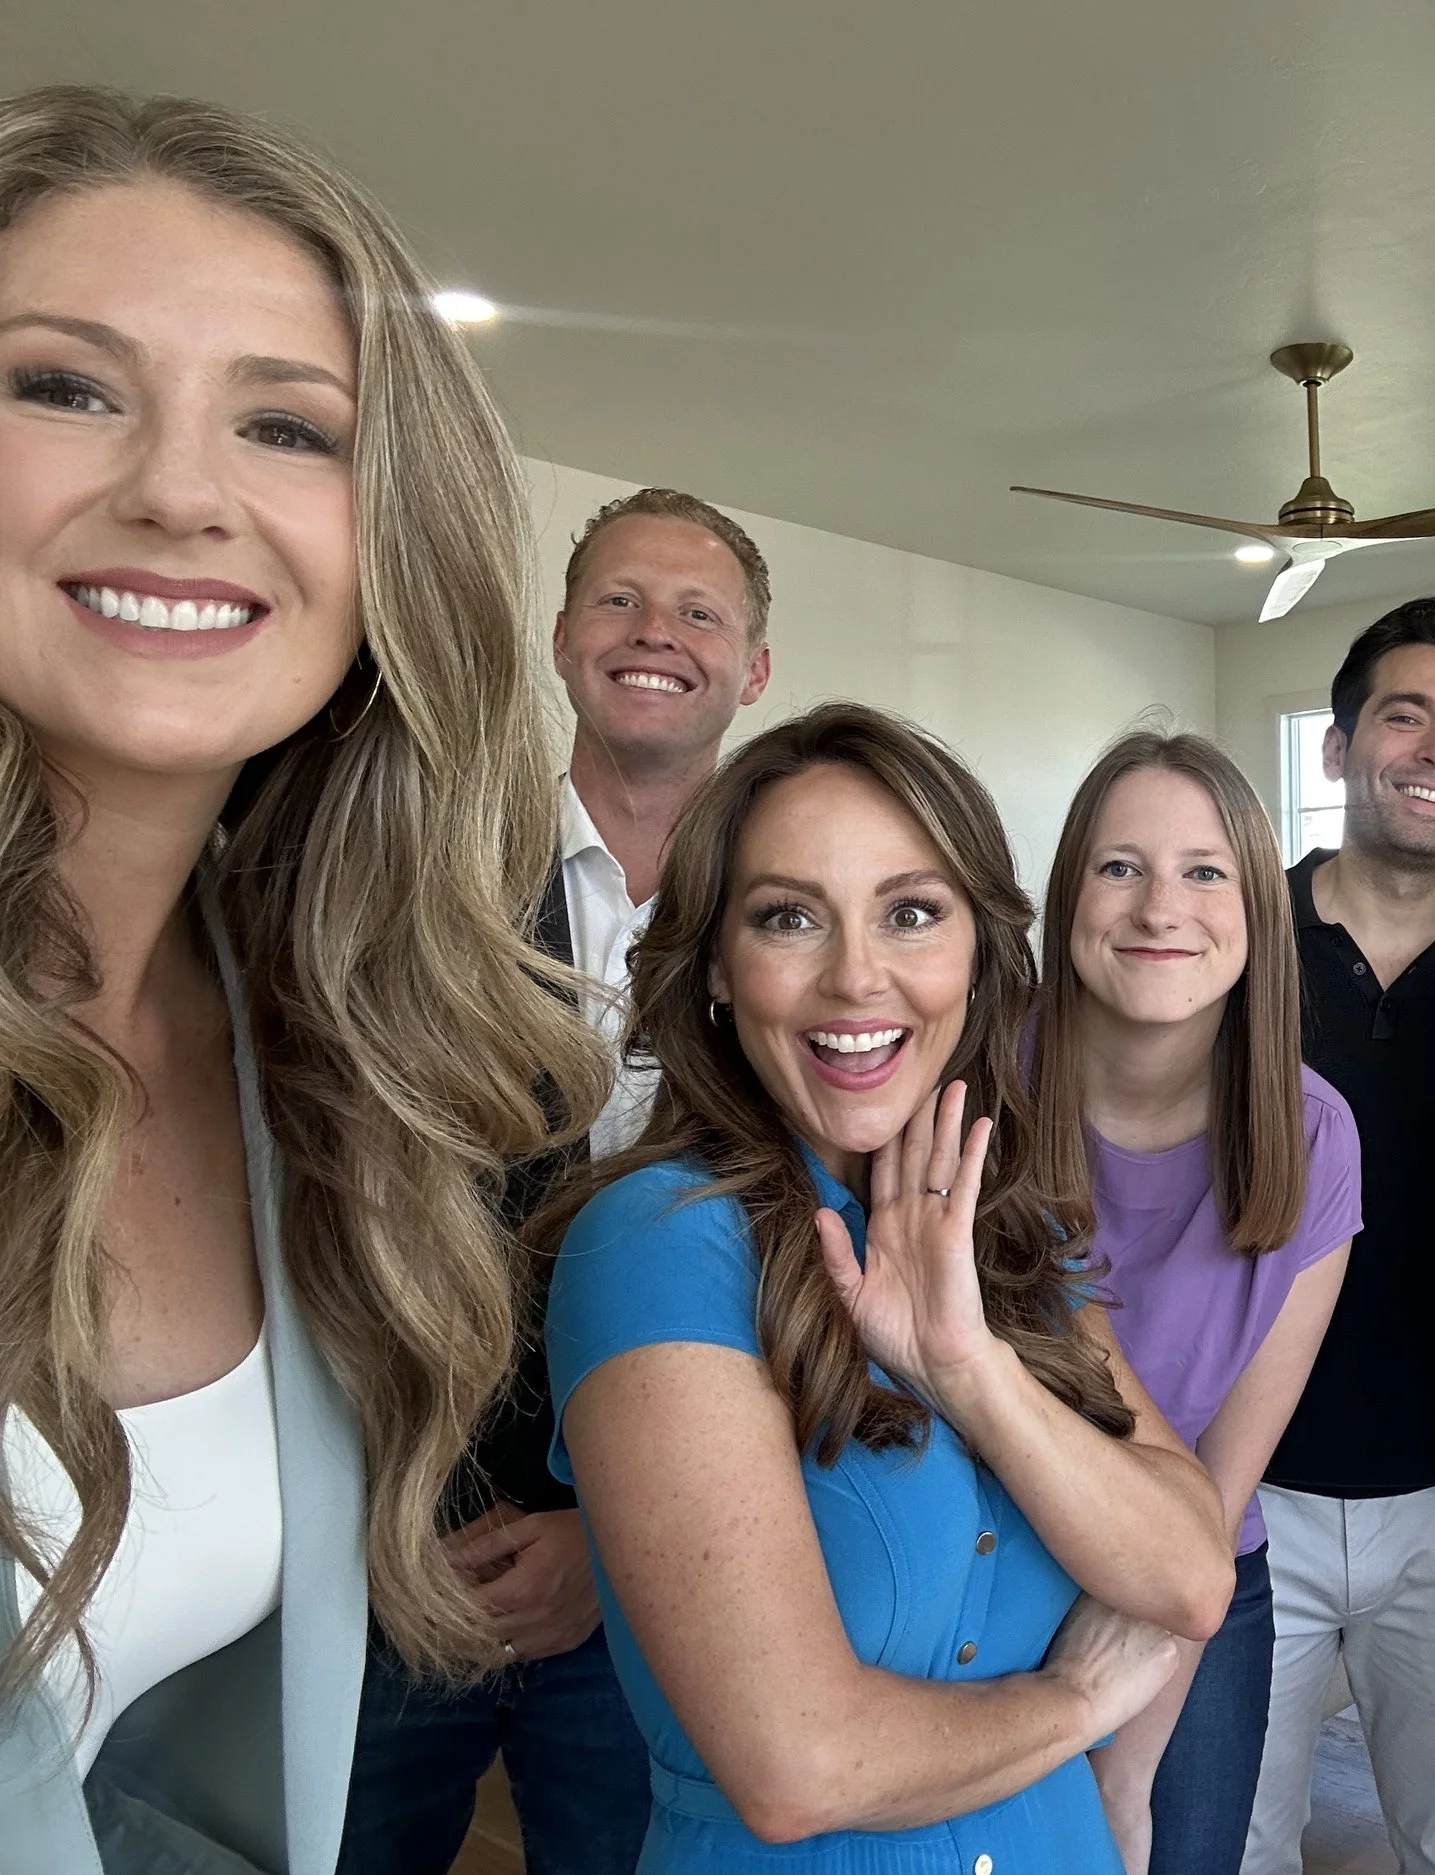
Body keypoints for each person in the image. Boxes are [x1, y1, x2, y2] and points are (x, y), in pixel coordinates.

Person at [0, 85, 608, 1875]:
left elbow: (126, 1770)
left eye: (286, 425)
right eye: (62, 386)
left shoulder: (300, 1049)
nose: (180, 490)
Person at [539, 701, 1238, 1872]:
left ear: (978, 954)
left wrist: (967, 1368)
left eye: (910, 913)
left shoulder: (1002, 1231)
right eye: (788, 918)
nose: (856, 978)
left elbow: (1190, 1574)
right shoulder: (657, 1246)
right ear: (715, 967)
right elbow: (798, 1766)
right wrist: (1073, 1702)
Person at [341, 487, 773, 1874]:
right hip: (403, 1537)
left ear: (754, 668)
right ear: (561, 637)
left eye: (698, 612)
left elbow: (801, 1241)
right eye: (619, 600)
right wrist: (411, 1510)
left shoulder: (792, 915)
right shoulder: (423, 868)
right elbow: (351, 1184)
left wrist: (614, 1525)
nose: (655, 633)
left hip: (665, 1557)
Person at [1241, 596, 1435, 1875]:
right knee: (1227, 1837)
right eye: (1405, 717)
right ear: (1339, 745)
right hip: (1241, 1481)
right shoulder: (1229, 939)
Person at [1032, 732, 1361, 1875]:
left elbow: (1214, 1495)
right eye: (1120, 867)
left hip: (1198, 1569)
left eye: (1204, 871)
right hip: (991, 1556)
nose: (1160, 908)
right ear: (1069, 895)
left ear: (1257, 911)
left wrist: (1128, 1772)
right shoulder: (972, 1087)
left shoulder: (1314, 1136)